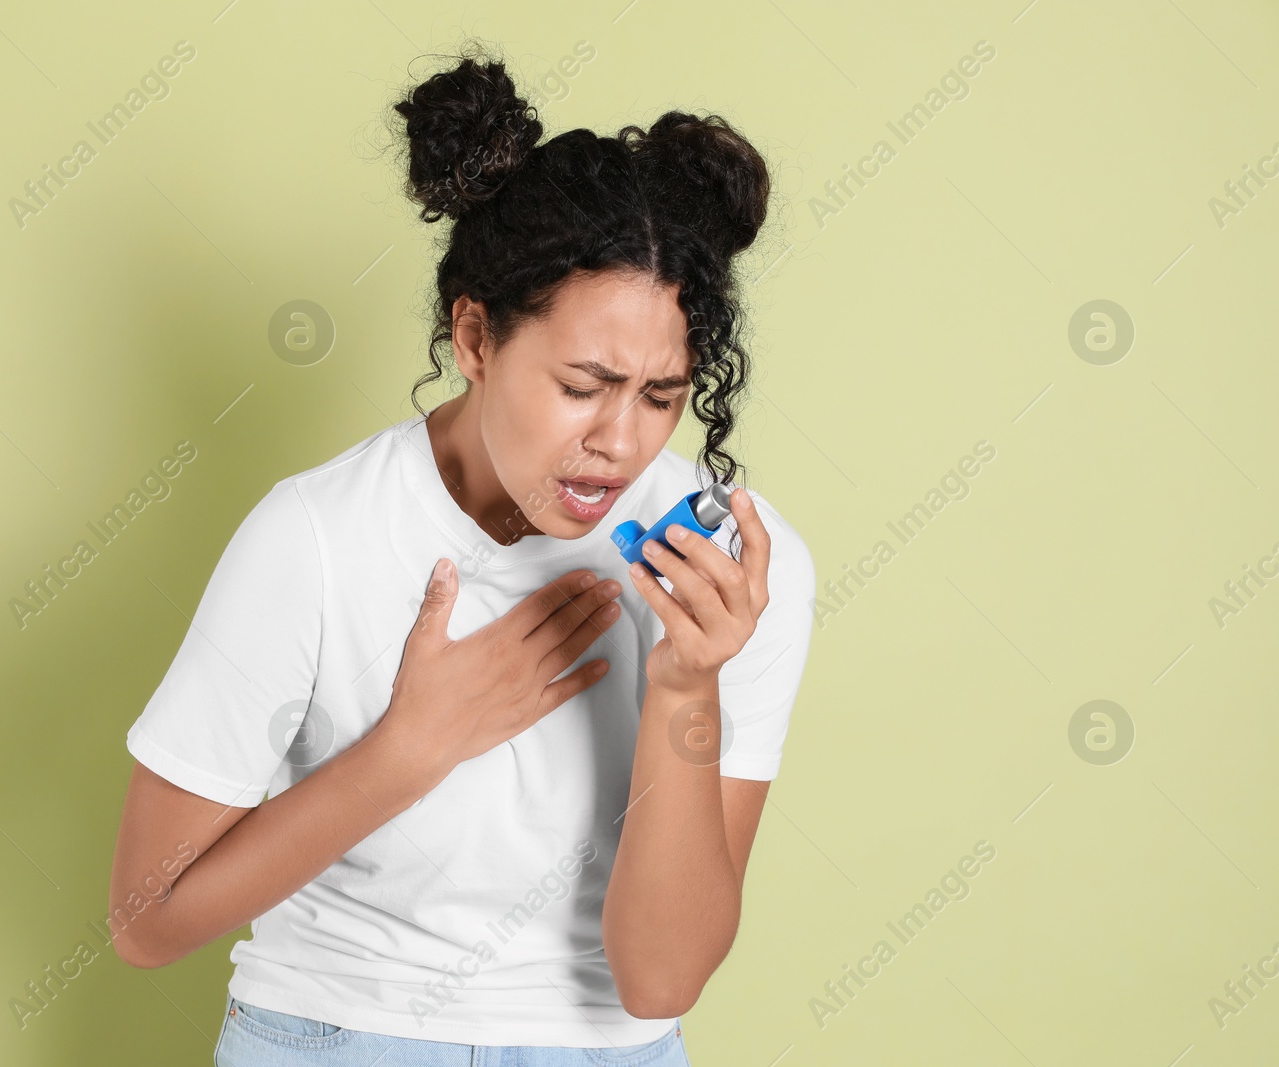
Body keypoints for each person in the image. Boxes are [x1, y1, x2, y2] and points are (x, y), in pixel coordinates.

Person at [107, 42, 816, 1066]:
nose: (618, 441)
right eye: (582, 384)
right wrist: (410, 748)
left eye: (660, 396)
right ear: (475, 338)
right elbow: (147, 919)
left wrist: (685, 687)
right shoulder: (313, 536)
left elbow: (660, 979)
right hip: (332, 1036)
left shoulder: (733, 569)